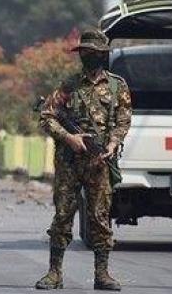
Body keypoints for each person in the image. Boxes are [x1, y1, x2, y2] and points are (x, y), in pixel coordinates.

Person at [35, 29, 132, 291]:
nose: (88, 56)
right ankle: (54, 273)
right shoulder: (69, 85)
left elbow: (123, 120)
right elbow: (47, 116)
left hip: (99, 162)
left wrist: (112, 144)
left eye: (93, 52)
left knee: (100, 218)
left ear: (102, 55)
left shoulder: (116, 85)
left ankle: (102, 274)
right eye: (84, 52)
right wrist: (69, 138)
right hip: (69, 162)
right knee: (63, 215)